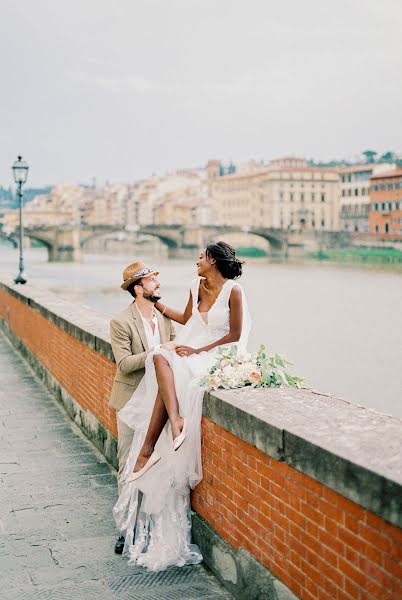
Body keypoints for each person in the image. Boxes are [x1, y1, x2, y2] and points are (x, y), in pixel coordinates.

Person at [113, 241, 250, 571]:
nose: (196, 261)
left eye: (201, 257)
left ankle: (151, 446)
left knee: (167, 364)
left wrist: (198, 351)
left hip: (216, 354)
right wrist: (159, 305)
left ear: (214, 260)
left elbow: (235, 334)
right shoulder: (194, 286)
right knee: (163, 357)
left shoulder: (235, 291)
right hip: (194, 350)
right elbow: (187, 317)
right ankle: (174, 422)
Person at [109, 261, 175, 554]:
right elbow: (123, 363)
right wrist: (157, 352)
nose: (157, 284)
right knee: (129, 463)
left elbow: (175, 351)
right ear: (138, 288)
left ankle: (151, 523)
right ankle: (126, 529)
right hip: (131, 402)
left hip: (159, 403)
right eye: (152, 280)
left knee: (158, 463)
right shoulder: (121, 321)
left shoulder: (164, 318)